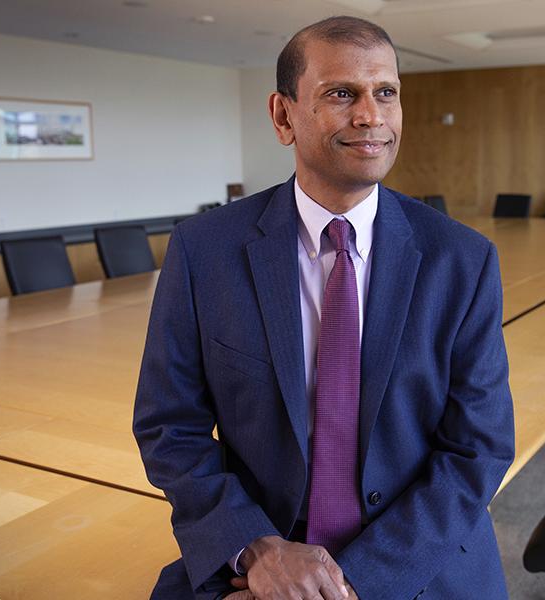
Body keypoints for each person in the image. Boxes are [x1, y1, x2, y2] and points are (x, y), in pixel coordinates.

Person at [133, 15, 515, 600]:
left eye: (386, 93)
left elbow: (477, 449)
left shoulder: (462, 260)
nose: (371, 116)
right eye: (342, 94)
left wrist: (354, 584)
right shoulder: (203, 251)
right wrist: (257, 548)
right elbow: (169, 426)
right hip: (259, 558)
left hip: (415, 561)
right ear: (283, 116)